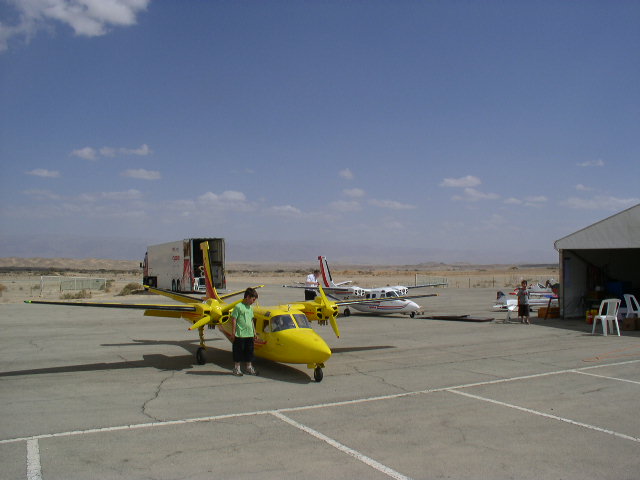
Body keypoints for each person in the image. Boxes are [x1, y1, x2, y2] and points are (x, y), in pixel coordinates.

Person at [230, 287, 259, 376]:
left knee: (249, 352)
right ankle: (237, 368)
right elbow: (234, 319)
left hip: (249, 334)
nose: (253, 301)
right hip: (240, 334)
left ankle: (249, 367)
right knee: (238, 352)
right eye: (253, 299)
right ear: (248, 297)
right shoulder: (238, 307)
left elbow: (251, 320)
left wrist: (254, 332)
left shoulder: (250, 308)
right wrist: (233, 332)